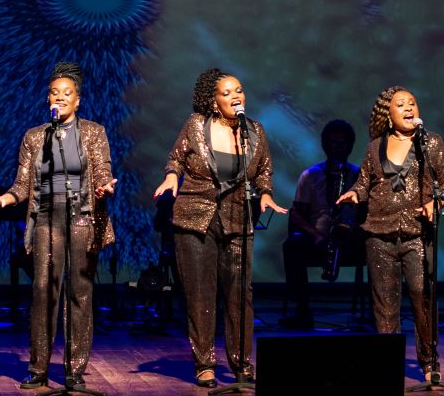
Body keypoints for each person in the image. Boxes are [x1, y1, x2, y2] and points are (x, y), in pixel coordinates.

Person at [0, 62, 117, 390]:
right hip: (46, 217)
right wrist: (6, 199)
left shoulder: (94, 132)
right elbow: (22, 184)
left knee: (80, 293)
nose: (60, 97)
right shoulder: (34, 137)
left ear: (78, 101)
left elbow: (102, 169)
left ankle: (74, 372)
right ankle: (38, 369)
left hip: (83, 216)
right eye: (54, 93)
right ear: (48, 99)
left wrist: (104, 187)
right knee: (43, 290)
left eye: (67, 93)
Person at [153, 68, 287, 388]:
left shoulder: (255, 131)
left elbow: (264, 171)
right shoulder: (196, 126)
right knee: (201, 294)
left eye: (238, 90)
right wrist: (171, 177)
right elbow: (176, 159)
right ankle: (205, 364)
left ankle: (241, 363)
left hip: (238, 217)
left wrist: (266, 194)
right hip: (195, 218)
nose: (235, 96)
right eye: (226, 93)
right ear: (214, 101)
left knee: (240, 294)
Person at [337, 85, 444, 381]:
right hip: (379, 235)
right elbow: (364, 183)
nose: (408, 108)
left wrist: (437, 201)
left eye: (412, 103)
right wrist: (354, 193)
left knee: (422, 297)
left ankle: (429, 362)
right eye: (401, 104)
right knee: (385, 304)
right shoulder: (374, 147)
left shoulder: (431, 143)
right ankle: (387, 363)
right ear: (388, 115)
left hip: (418, 234)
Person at [279, 119, 367, 329]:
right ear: (326, 145)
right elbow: (296, 214)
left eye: (344, 143)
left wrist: (354, 228)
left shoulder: (359, 176)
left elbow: (366, 213)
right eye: (334, 143)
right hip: (318, 238)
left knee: (376, 247)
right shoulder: (310, 175)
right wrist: (316, 234)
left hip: (348, 239)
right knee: (292, 246)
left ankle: (374, 314)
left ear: (350, 146)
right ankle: (302, 311)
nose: (339, 148)